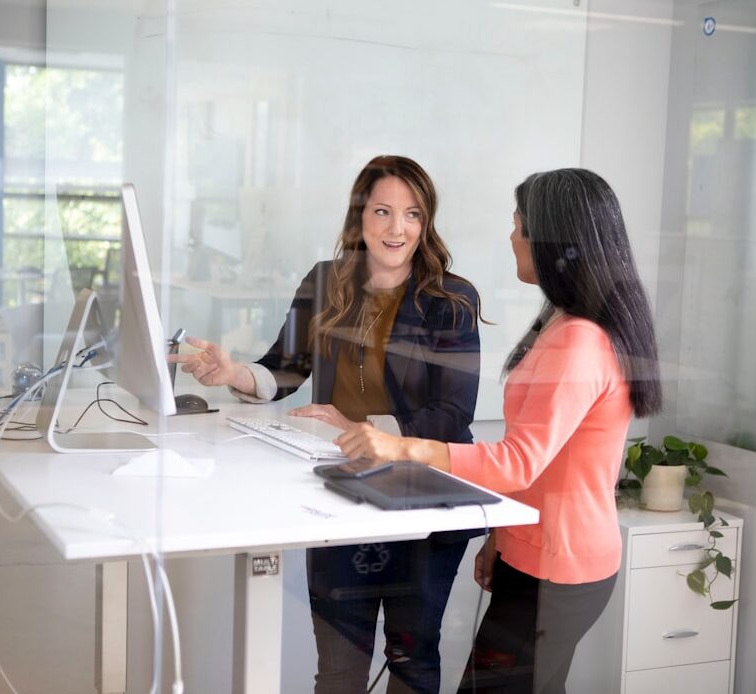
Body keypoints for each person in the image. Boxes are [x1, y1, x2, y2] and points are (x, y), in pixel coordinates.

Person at [334, 168, 663, 694]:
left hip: (558, 567)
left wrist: (401, 446)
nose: (512, 237)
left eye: (519, 227)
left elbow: (518, 461)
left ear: (556, 242)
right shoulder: (563, 319)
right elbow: (547, 460)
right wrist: (502, 540)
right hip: (536, 555)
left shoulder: (579, 339)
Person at [170, 155, 486, 693]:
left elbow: (453, 417)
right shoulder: (326, 281)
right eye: (383, 211)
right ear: (360, 217)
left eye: (412, 214)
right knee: (339, 667)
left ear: (426, 221)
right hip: (343, 494)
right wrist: (233, 372)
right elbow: (284, 369)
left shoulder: (451, 299)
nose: (397, 228)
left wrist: (364, 424)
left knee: (413, 662)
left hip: (423, 494)